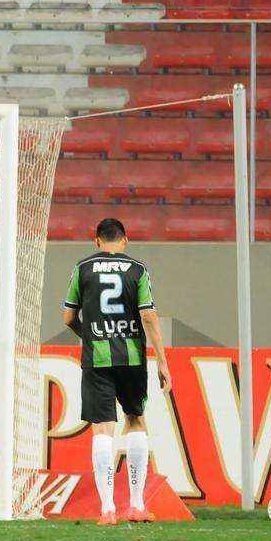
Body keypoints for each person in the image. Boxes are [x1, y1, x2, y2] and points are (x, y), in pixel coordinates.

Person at [62, 217, 171, 525]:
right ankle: (136, 505)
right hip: (132, 358)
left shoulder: (82, 268)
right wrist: (162, 360)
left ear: (97, 241)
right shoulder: (137, 269)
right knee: (135, 421)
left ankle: (108, 509)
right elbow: (148, 316)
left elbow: (68, 317)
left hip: (97, 360)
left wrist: (92, 336)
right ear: (125, 241)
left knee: (102, 428)